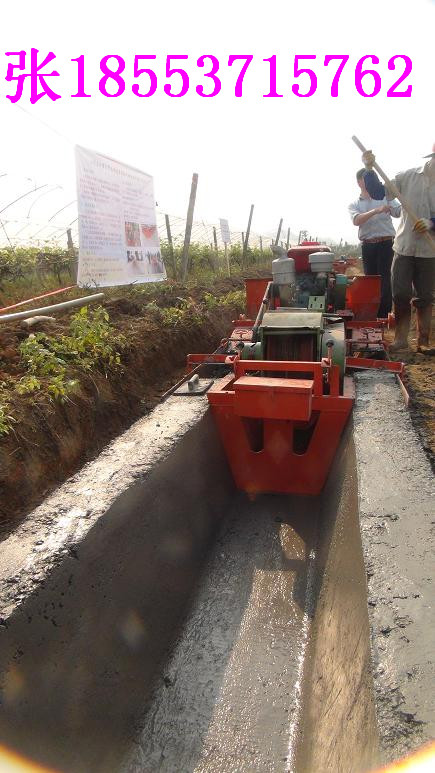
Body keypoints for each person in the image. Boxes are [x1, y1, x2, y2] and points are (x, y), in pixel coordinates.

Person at [361, 144, 435, 354]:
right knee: (401, 293)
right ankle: (401, 338)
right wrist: (369, 169)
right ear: (431, 158)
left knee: (425, 297)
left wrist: (431, 223)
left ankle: (423, 342)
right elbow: (378, 192)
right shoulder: (408, 177)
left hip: (429, 252)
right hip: (403, 247)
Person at [349, 169, 401, 318]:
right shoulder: (355, 204)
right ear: (359, 182)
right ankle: (372, 314)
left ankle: (384, 316)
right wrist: (377, 210)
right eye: (367, 179)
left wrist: (401, 199)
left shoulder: (385, 196)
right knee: (370, 280)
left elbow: (398, 212)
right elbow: (356, 220)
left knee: (385, 280)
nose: (372, 182)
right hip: (368, 245)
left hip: (386, 243)